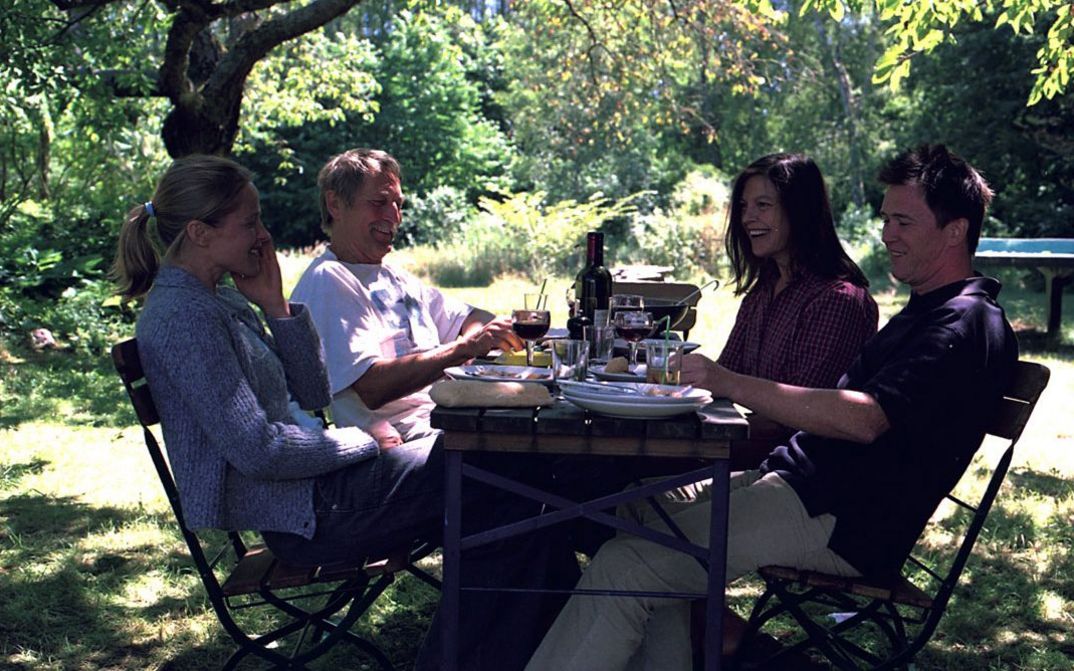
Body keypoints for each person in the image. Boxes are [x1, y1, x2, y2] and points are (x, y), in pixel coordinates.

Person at [524, 144, 1018, 671]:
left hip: (836, 515)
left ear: (955, 230)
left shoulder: (963, 324)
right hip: (798, 485)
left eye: (902, 221)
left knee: (629, 562)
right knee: (636, 512)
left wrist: (723, 379)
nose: (886, 234)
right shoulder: (931, 311)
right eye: (885, 219)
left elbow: (866, 419)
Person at [112, 155, 575, 671]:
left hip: (320, 493)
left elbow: (311, 393)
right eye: (250, 223)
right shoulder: (185, 317)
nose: (262, 236)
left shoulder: (219, 300)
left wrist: (275, 307)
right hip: (307, 515)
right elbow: (258, 450)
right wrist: (363, 442)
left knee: (512, 501)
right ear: (199, 232)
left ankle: (556, 650)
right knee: (499, 469)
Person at [290, 148, 522, 446]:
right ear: (335, 204)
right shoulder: (330, 278)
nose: (394, 216)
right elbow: (371, 387)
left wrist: (476, 342)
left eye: (398, 204)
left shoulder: (394, 277)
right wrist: (462, 350)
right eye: (379, 203)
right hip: (408, 442)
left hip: (451, 421)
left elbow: (475, 318)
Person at [716, 153, 879, 467]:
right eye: (743, 207)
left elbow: (795, 423)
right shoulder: (764, 292)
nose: (747, 218)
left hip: (788, 473)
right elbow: (724, 377)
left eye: (763, 205)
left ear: (799, 212)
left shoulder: (837, 300)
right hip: (744, 454)